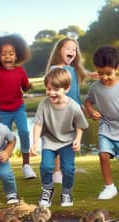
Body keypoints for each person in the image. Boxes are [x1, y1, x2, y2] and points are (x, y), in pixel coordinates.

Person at [85, 46, 119, 200]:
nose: (104, 77)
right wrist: (91, 111)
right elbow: (88, 102)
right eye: (100, 73)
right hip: (106, 126)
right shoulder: (95, 88)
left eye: (108, 73)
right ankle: (110, 187)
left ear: (116, 68)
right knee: (103, 155)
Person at [30, 67, 88, 207]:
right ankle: (47, 189)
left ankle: (66, 193)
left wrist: (77, 139)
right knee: (46, 167)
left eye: (56, 89)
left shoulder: (73, 106)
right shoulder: (44, 104)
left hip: (68, 141)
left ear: (66, 88)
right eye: (48, 89)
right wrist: (35, 143)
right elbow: (38, 124)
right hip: (50, 141)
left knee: (68, 169)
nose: (51, 93)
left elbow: (80, 124)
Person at [0, 34, 36, 180]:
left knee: (24, 132)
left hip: (18, 108)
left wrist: (29, 86)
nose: (7, 57)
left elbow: (24, 87)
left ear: (17, 55)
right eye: (3, 54)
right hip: (2, 112)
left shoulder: (20, 71)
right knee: (1, 139)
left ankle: (26, 165)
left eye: (11, 54)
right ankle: (2, 166)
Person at [46, 37, 90, 184]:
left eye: (74, 49)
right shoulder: (55, 69)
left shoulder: (73, 69)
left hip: (74, 110)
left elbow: (75, 92)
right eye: (68, 49)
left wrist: (82, 107)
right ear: (59, 51)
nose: (72, 51)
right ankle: (56, 172)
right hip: (60, 111)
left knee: (71, 141)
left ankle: (68, 168)